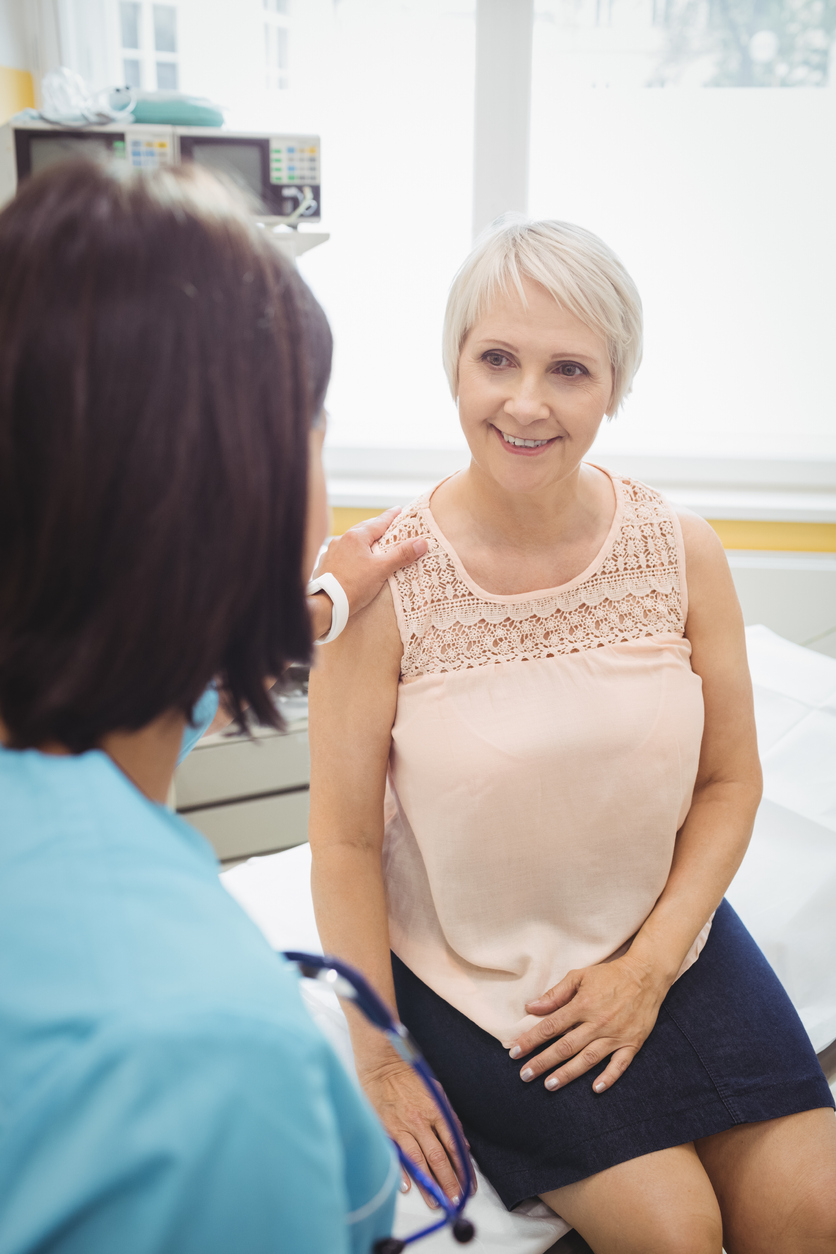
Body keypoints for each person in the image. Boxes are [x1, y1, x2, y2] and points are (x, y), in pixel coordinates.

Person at [308, 218, 836, 1253]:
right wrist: (376, 1049)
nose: (525, 401)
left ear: (613, 387)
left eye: (568, 370)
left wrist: (646, 967)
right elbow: (344, 840)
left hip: (665, 944)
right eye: (495, 359)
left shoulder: (680, 550)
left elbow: (728, 782)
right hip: (482, 973)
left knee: (809, 1210)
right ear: (453, 366)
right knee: (673, 1231)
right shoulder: (380, 582)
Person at [0, 159, 428, 1254]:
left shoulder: (63, 709)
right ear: (246, 483)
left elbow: (151, 662)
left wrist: (321, 601)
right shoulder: (199, 1056)